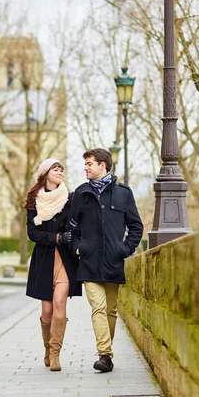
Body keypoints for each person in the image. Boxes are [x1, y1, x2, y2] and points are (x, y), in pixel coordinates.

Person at [68, 148, 143, 373]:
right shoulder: (80, 194)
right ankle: (105, 355)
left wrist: (125, 248)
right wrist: (78, 248)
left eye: (89, 163)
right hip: (89, 263)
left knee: (110, 311)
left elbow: (136, 226)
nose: (86, 167)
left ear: (103, 165)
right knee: (98, 308)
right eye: (85, 164)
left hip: (113, 262)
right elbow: (71, 228)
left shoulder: (123, 194)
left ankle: (105, 352)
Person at [25, 158, 81, 372]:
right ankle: (47, 349)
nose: (60, 172)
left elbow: (77, 225)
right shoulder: (33, 202)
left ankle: (56, 353)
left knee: (60, 303)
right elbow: (33, 234)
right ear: (45, 173)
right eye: (55, 169)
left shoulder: (70, 199)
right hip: (44, 261)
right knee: (47, 311)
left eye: (62, 169)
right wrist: (57, 237)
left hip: (65, 261)